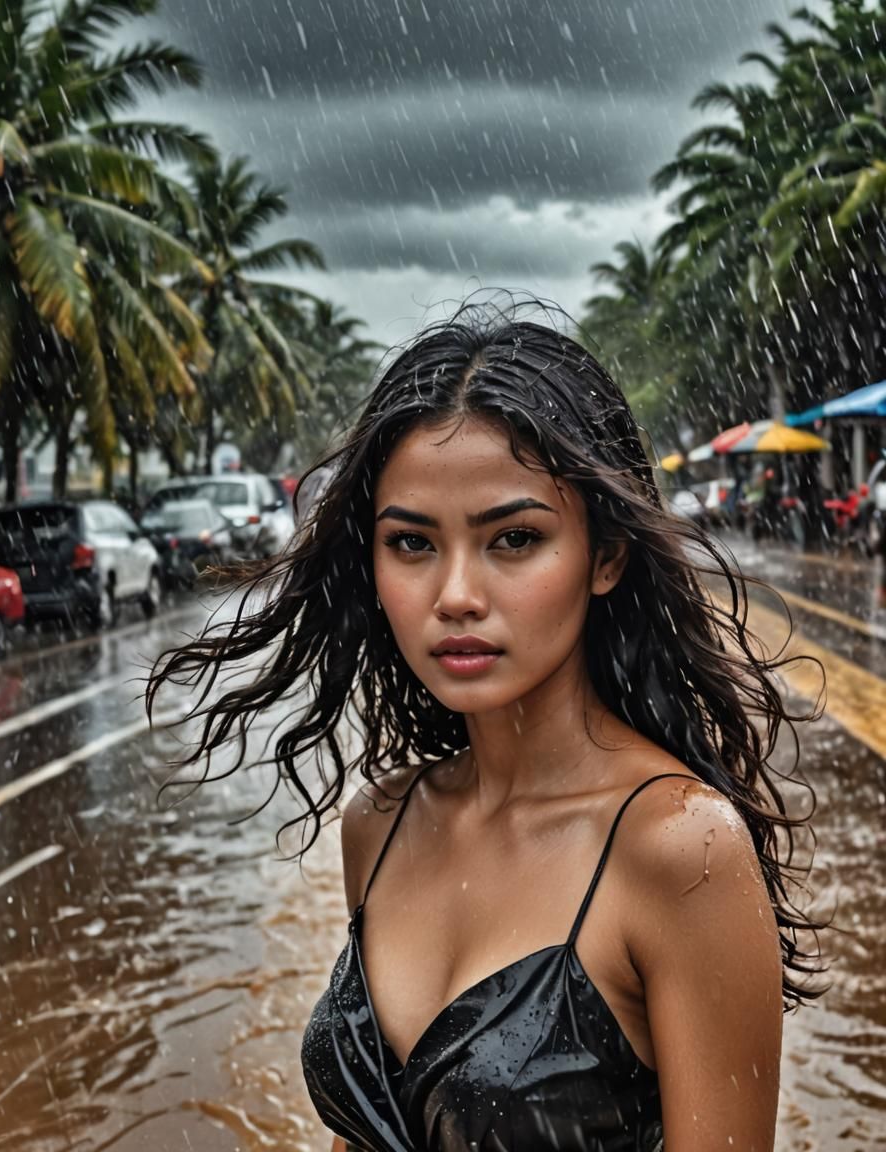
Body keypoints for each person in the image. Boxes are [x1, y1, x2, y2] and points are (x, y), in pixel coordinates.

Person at [148, 305, 823, 1152]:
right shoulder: (381, 823)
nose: (456, 594)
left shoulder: (680, 849)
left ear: (605, 556)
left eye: (514, 538)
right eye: (412, 543)